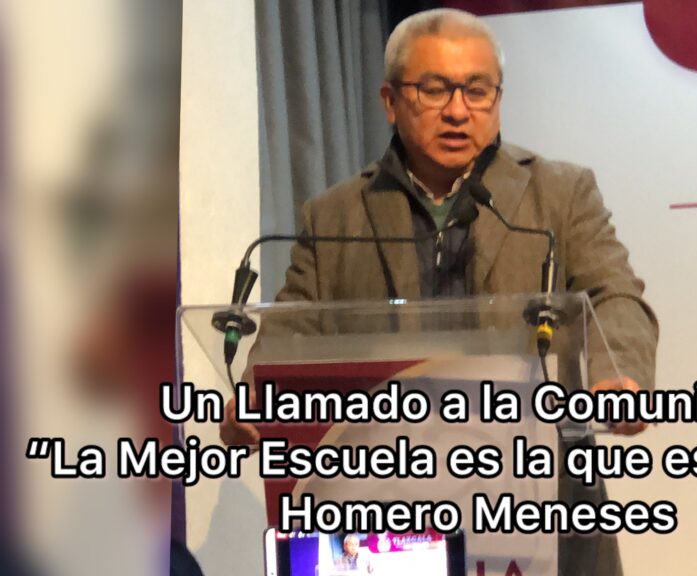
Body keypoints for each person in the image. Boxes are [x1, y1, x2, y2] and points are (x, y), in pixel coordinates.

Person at [221, 9, 658, 576]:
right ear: (390, 101)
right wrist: (258, 392)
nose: (457, 110)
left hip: (537, 501)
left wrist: (617, 374)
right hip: (388, 508)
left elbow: (614, 295)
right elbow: (293, 329)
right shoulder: (335, 214)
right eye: (434, 89)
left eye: (477, 90)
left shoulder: (560, 193)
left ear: (498, 98)